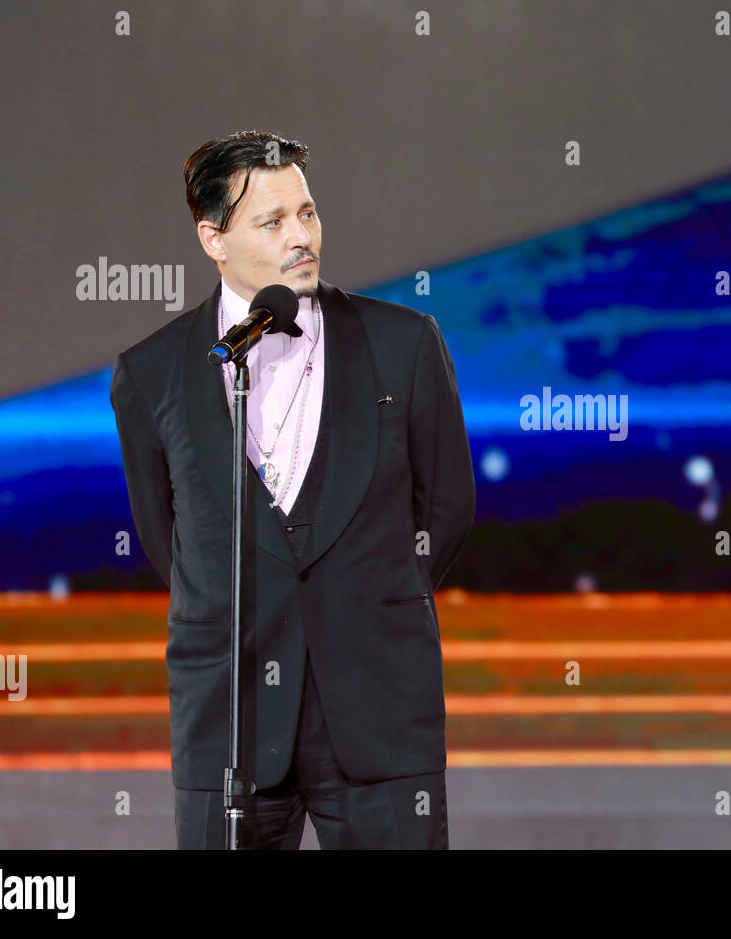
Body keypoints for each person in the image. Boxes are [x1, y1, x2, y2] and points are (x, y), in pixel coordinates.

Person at [109, 130, 475, 848]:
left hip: (379, 710)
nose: (301, 236)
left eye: (306, 213)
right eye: (272, 222)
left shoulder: (404, 344)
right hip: (231, 723)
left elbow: (447, 512)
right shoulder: (151, 374)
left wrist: (365, 598)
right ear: (213, 238)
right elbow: (171, 544)